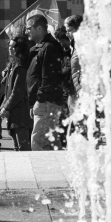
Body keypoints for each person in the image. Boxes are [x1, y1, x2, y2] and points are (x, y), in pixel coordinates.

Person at [26, 14, 64, 151]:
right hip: (44, 102)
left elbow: (49, 78)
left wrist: (39, 100)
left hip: (47, 102)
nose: (26, 31)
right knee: (49, 144)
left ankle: (44, 171)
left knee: (39, 144)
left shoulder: (48, 47)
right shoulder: (41, 47)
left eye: (29, 28)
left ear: (40, 28)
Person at [0, 36, 32, 151]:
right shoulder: (13, 65)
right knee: (17, 149)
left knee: (23, 149)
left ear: (19, 49)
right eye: (9, 45)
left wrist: (6, 108)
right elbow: (8, 90)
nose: (10, 48)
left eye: (12, 46)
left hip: (21, 114)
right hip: (14, 113)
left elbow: (17, 92)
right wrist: (4, 105)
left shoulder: (21, 67)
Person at [54, 26, 72, 149]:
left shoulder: (72, 51)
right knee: (63, 116)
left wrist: (58, 74)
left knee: (69, 116)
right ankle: (65, 140)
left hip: (71, 89)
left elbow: (70, 69)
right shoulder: (64, 52)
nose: (59, 43)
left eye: (60, 40)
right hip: (65, 89)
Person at [64, 15, 83, 114]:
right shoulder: (73, 46)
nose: (67, 34)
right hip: (73, 91)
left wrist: (81, 91)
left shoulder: (83, 46)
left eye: (69, 30)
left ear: (78, 29)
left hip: (81, 93)